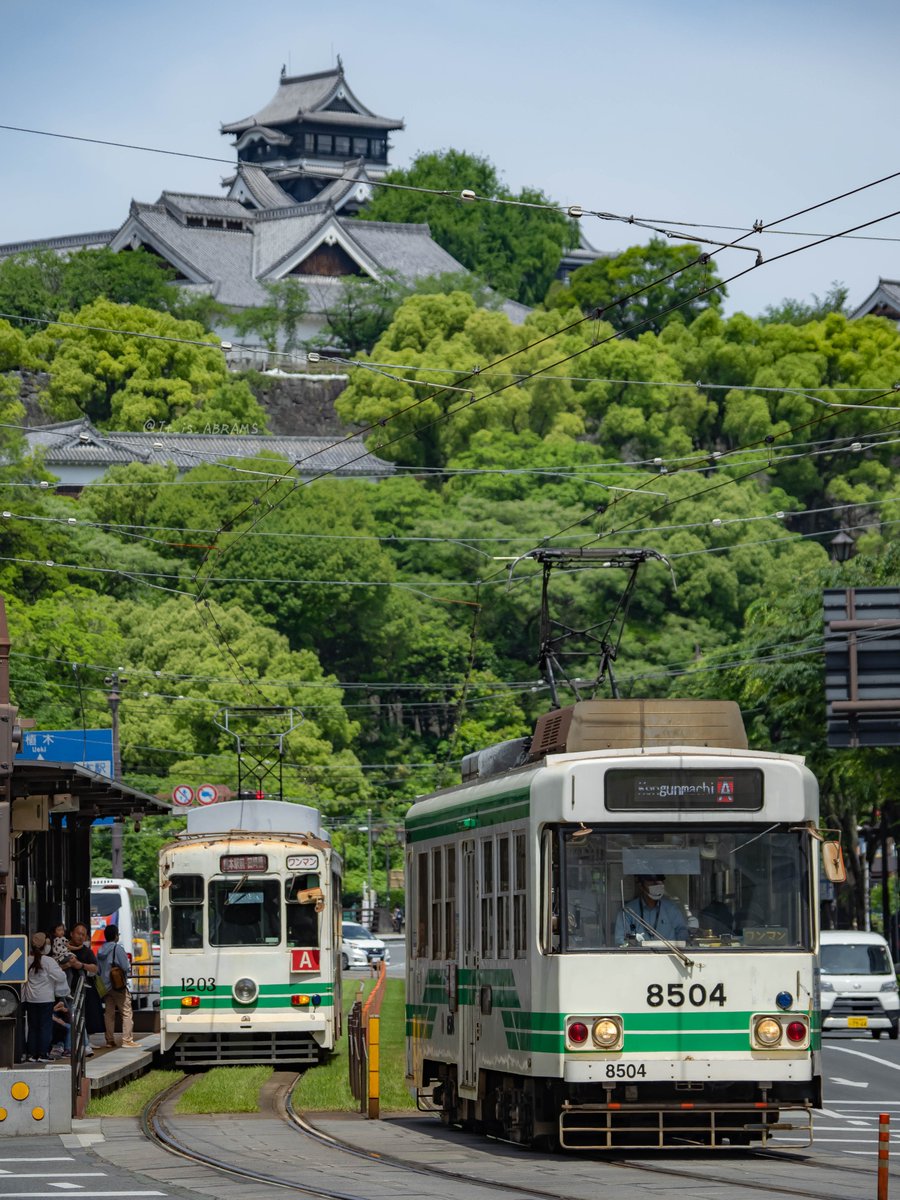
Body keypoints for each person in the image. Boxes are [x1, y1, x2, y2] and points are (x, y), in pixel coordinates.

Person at [24, 932, 70, 1063]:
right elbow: (61, 977)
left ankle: (32, 1054)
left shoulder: (27, 960)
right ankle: (43, 1054)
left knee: (33, 1027)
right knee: (45, 1026)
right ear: (44, 946)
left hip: (30, 999)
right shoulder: (49, 961)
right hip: (46, 999)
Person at [97, 924, 138, 1049]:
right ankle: (127, 1040)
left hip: (105, 986)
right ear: (115, 936)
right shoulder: (117, 948)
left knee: (109, 1014)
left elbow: (98, 969)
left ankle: (109, 1040)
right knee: (126, 1011)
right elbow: (125, 967)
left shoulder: (100, 950)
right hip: (117, 984)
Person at [615, 875, 690, 943]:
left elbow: (683, 934)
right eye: (652, 882)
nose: (656, 886)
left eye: (659, 882)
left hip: (669, 955)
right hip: (639, 956)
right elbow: (620, 939)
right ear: (641, 885)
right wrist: (633, 939)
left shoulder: (672, 909)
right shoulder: (628, 911)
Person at [66, 923, 102, 1052]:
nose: (80, 937)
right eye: (78, 933)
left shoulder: (87, 951)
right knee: (68, 1016)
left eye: (83, 934)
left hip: (81, 989)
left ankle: (83, 1042)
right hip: (64, 990)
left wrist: (80, 965)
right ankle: (67, 1045)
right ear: (71, 933)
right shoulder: (62, 948)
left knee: (81, 1015)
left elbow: (95, 968)